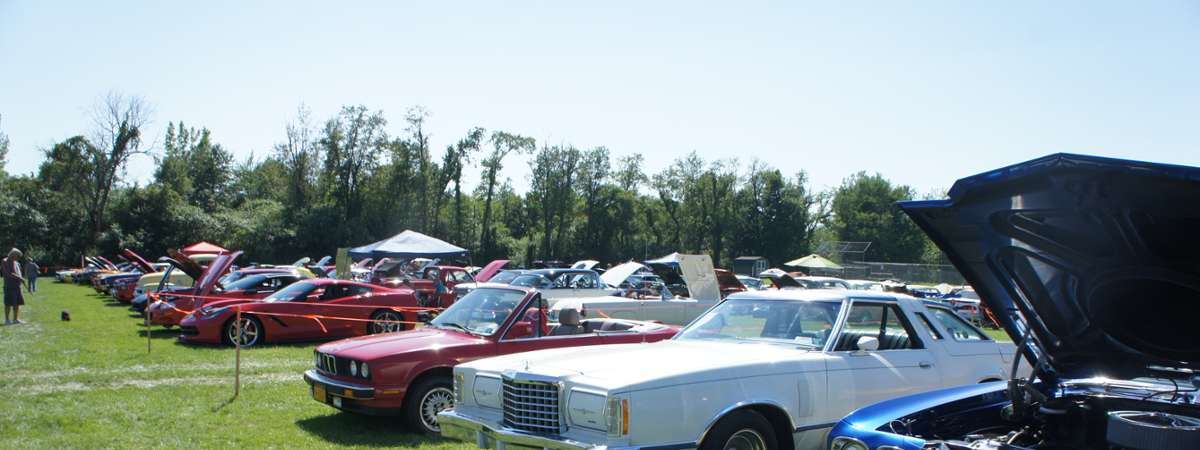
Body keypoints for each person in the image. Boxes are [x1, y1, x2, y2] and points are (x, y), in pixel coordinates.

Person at [3, 248, 27, 324]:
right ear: (13, 255)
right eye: (17, 256)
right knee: (8, 303)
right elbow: (8, 273)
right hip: (9, 286)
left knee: (17, 303)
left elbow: (18, 272)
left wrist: (21, 279)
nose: (18, 258)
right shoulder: (5, 261)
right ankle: (7, 320)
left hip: (17, 286)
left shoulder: (16, 262)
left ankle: (16, 319)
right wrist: (20, 278)